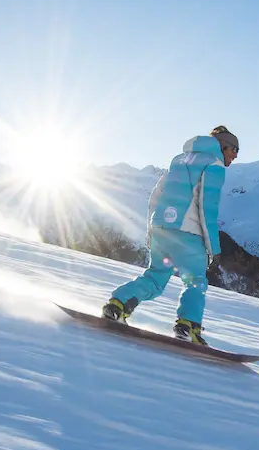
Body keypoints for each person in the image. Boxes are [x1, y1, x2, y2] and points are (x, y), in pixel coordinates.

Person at [102, 125, 239, 346]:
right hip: (189, 235)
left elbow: (155, 197)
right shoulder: (214, 165)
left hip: (161, 229)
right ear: (224, 146)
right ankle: (188, 326)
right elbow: (208, 207)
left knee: (155, 278)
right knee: (195, 281)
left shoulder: (179, 160)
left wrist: (152, 230)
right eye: (235, 150)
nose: (235, 156)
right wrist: (214, 249)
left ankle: (118, 304)